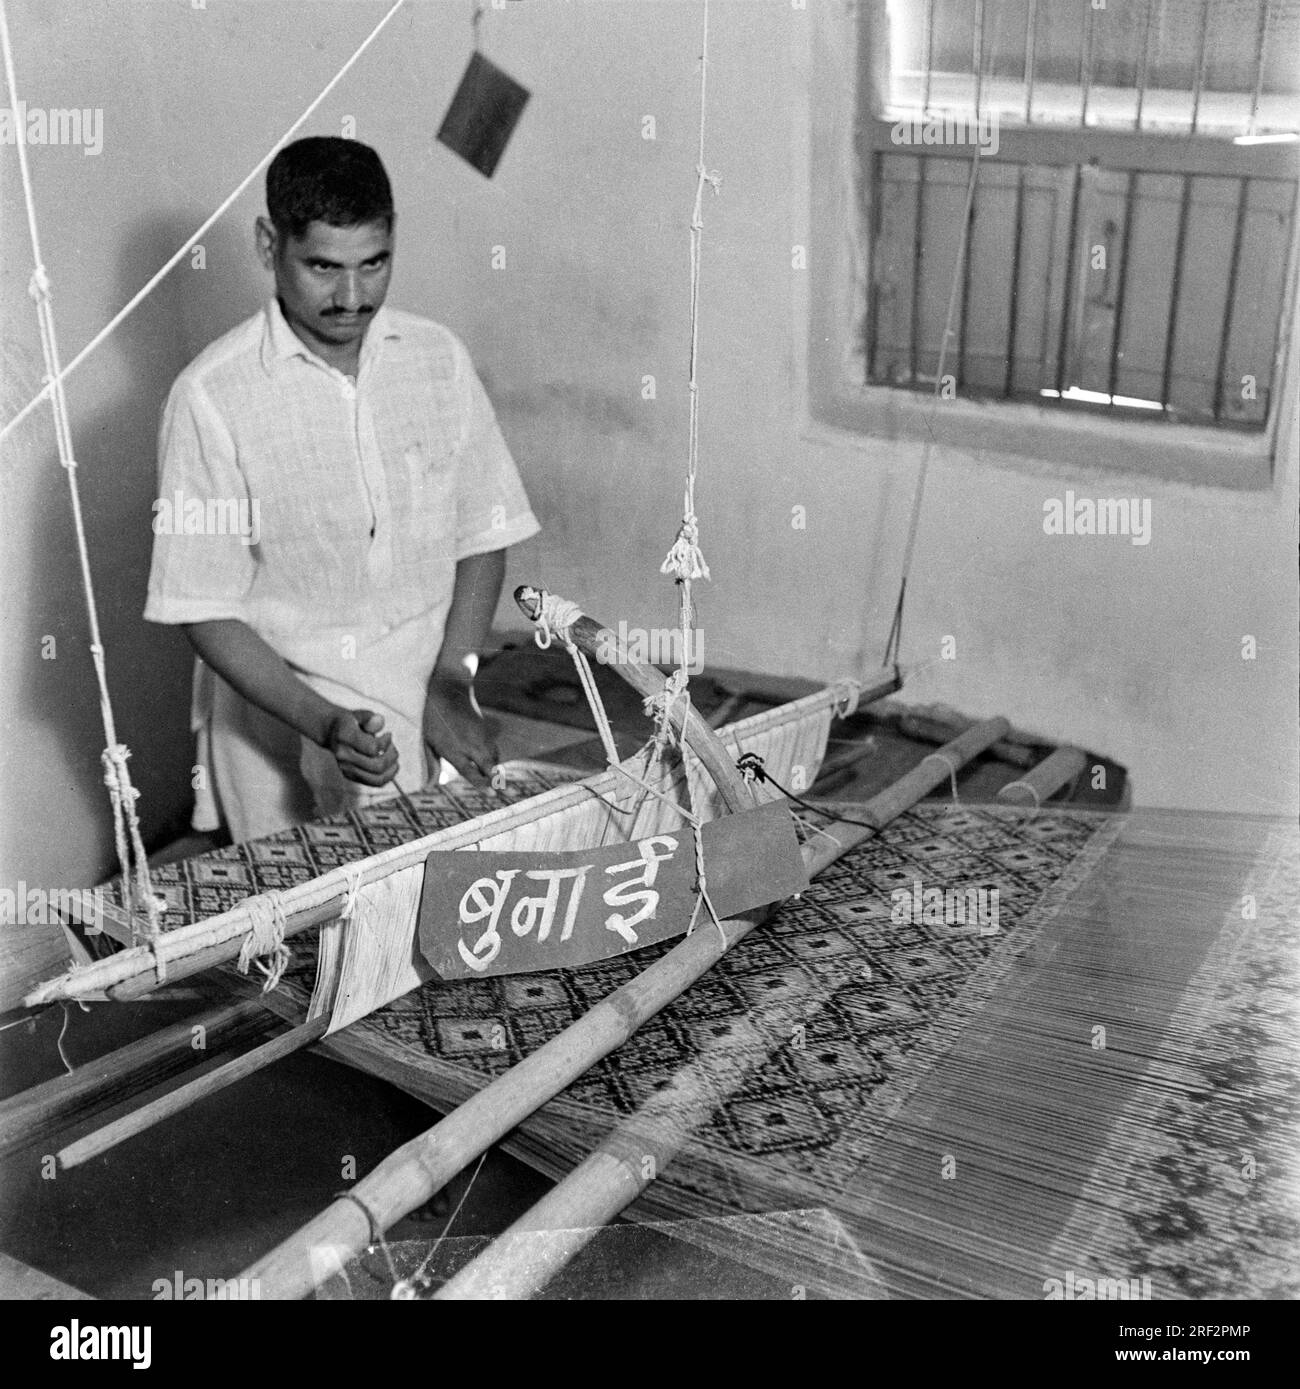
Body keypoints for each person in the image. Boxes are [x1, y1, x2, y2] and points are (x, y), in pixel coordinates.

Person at [145, 137, 539, 843]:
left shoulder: (436, 359)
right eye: (323, 267)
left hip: (428, 677)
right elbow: (200, 606)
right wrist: (322, 720)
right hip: (283, 696)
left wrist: (453, 675)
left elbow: (485, 534)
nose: (352, 297)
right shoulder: (212, 396)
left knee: (456, 886)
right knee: (307, 920)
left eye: (373, 264)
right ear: (270, 244)